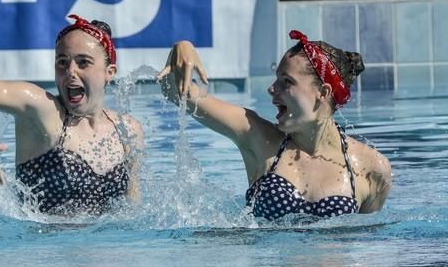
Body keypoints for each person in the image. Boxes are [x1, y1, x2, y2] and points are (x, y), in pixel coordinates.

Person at [158, 30, 391, 220]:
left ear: (323, 92)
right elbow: (176, 93)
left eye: (286, 82)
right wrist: (182, 46)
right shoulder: (257, 137)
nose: (272, 89)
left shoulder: (372, 167)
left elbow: (366, 247)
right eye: (275, 79)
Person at [0, 15, 144, 215]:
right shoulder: (44, 111)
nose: (71, 71)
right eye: (62, 62)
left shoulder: (127, 130)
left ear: (110, 72)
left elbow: (133, 211)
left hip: (111, 246)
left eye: (84, 62)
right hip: (43, 246)